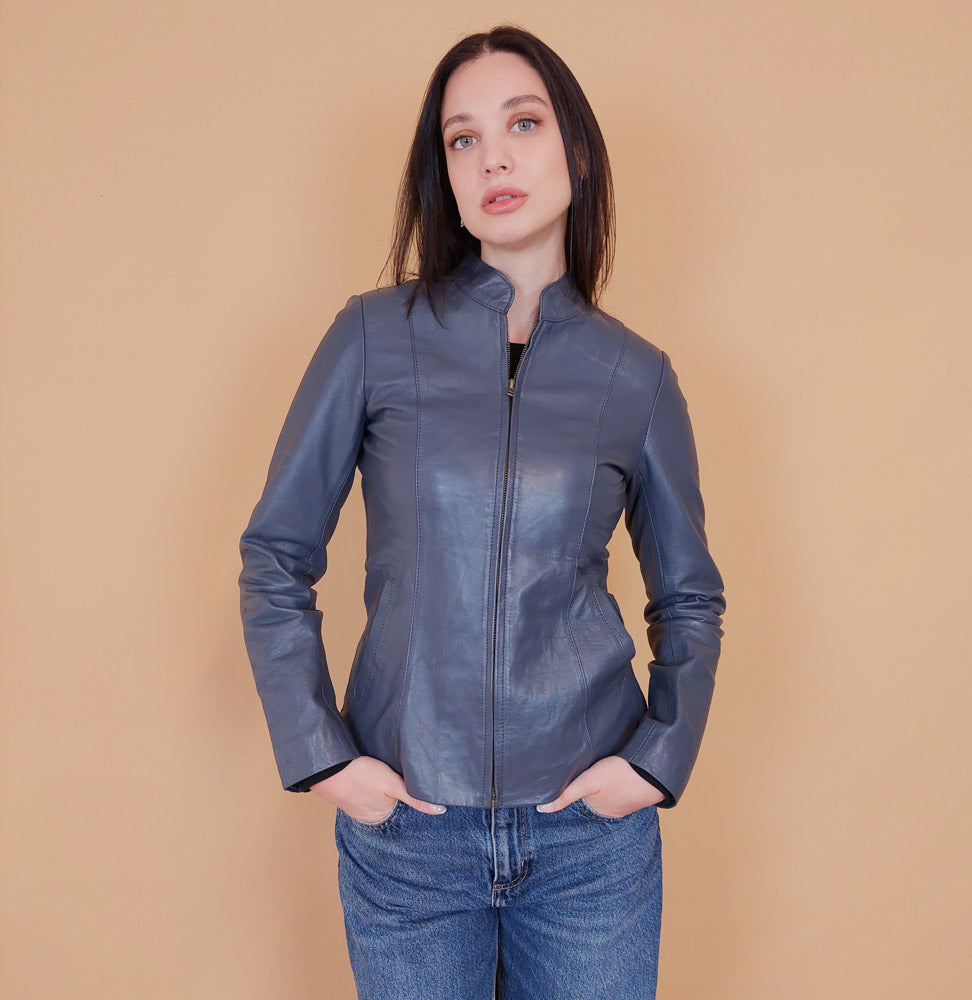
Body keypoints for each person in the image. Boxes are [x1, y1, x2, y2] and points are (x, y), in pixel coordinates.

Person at [238, 23, 725, 1000]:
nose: (492, 156)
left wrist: (655, 761)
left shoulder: (635, 377)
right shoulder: (372, 338)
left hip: (588, 841)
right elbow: (275, 556)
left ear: (576, 151)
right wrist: (324, 757)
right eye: (463, 138)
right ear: (446, 176)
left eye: (522, 123)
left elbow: (688, 597)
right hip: (409, 831)